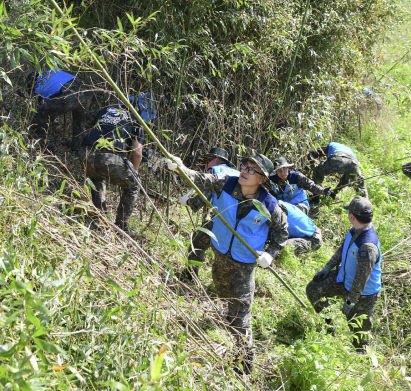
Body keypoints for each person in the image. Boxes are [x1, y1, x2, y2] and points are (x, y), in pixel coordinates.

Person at [162, 152, 288, 373]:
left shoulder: (268, 205)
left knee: (240, 315)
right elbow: (200, 179)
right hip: (220, 252)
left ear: (263, 179)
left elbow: (281, 232)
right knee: (223, 295)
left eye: (252, 170)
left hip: (244, 263)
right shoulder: (226, 184)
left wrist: (270, 253)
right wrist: (181, 168)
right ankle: (229, 318)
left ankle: (244, 365)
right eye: (245, 166)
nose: (245, 171)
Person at [306, 196, 382, 351]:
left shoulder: (367, 247)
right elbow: (343, 249)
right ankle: (329, 328)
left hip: (363, 296)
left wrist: (350, 303)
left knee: (358, 334)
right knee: (313, 289)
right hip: (344, 279)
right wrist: (327, 268)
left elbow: (361, 281)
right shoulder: (355, 230)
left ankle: (361, 363)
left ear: (352, 216)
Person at [81, 95, 156, 237]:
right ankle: (122, 226)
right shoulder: (136, 118)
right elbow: (138, 152)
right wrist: (134, 171)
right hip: (108, 157)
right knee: (134, 185)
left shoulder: (105, 110)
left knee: (97, 179)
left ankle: (99, 220)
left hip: (85, 153)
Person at [176, 147, 239, 284]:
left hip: (221, 219)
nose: (206, 165)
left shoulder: (215, 172)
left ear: (216, 160)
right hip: (238, 223)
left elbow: (203, 199)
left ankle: (189, 276)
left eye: (208, 161)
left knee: (197, 243)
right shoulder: (238, 173)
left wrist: (187, 201)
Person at [31, 68, 95, 150]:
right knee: (79, 120)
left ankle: (48, 147)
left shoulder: (38, 85)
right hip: (86, 90)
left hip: (70, 95)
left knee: (42, 112)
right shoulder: (51, 70)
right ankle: (76, 146)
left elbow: (45, 108)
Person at [307, 142, 367, 213]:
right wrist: (335, 192)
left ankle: (315, 199)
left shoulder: (331, 145)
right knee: (359, 184)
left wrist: (311, 164)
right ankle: (365, 208)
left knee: (318, 171)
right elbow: (345, 180)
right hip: (354, 163)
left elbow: (314, 154)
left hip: (339, 158)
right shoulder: (350, 150)